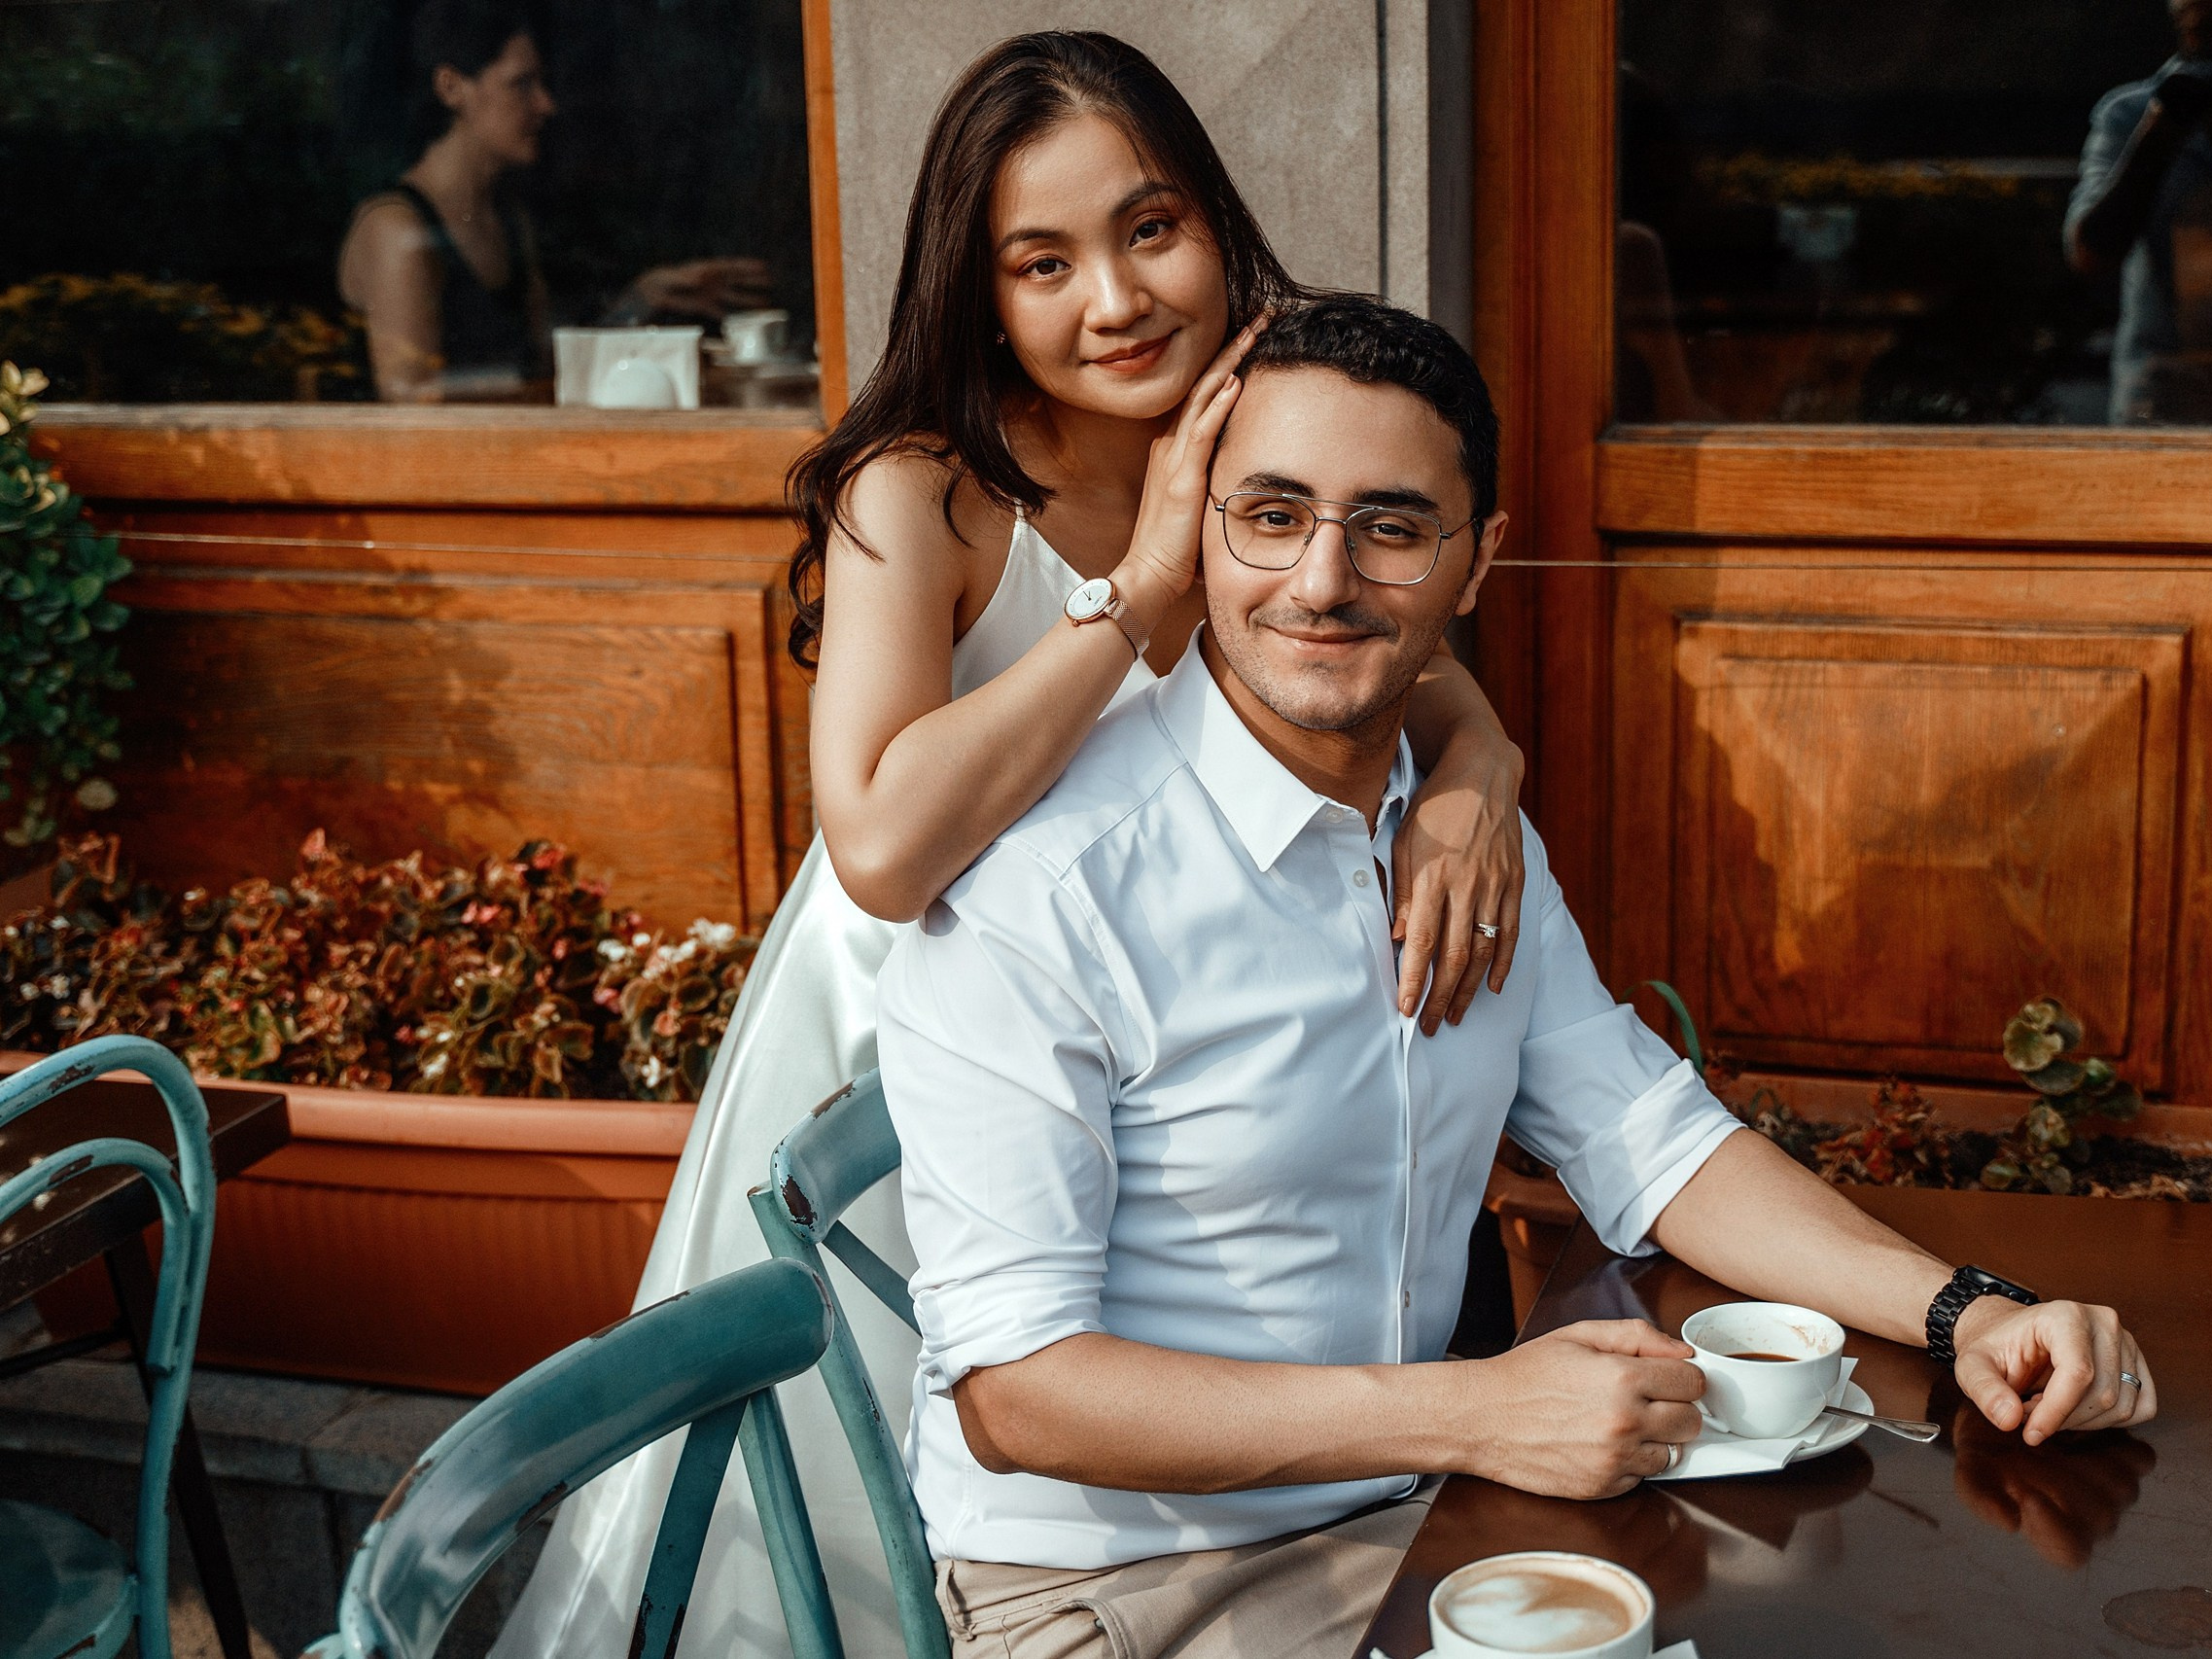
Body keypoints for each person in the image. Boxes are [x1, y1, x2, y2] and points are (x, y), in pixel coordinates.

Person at [880, 295, 2159, 1659]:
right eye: (1270, 514)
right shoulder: (1051, 885)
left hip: (1415, 1517)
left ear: (1474, 561)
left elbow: (1647, 1137)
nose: (1321, 581)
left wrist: (1970, 1311)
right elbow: (1018, 1393)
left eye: (1389, 526)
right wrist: (1476, 1409)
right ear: (1197, 529)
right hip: (1120, 1588)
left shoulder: (1460, 838)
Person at [491, 34, 1531, 1659]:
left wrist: (1480, 761)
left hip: (1159, 1020)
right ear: (981, 293)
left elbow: (1416, 653)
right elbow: (887, 848)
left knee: (1154, 1425)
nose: (1112, 297)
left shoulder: (1271, 417)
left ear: (1217, 222)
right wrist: (1140, 604)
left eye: (1151, 228)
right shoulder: (923, 491)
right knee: (888, 1472)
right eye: (1044, 261)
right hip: (915, 1037)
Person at [336, 0, 770, 402]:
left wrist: (639, 301)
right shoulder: (398, 230)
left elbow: (544, 362)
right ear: (452, 88)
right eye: (521, 84)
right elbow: (411, 396)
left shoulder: (508, 221)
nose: (546, 105)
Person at [2064, 0, 2212, 426]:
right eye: (2209, 37)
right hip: (2162, 390)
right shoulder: (2130, 115)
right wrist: (2160, 134)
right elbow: (2090, 253)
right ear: (2180, 20)